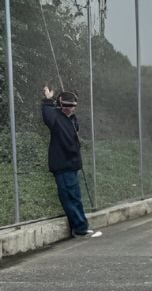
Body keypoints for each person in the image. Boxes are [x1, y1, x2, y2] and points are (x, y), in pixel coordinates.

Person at [41, 86, 100, 238]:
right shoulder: (55, 118)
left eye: (74, 106)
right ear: (62, 106)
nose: (73, 109)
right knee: (70, 197)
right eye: (70, 106)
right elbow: (47, 113)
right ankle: (80, 228)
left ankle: (80, 227)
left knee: (75, 196)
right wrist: (48, 99)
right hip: (62, 165)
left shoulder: (72, 119)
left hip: (72, 164)